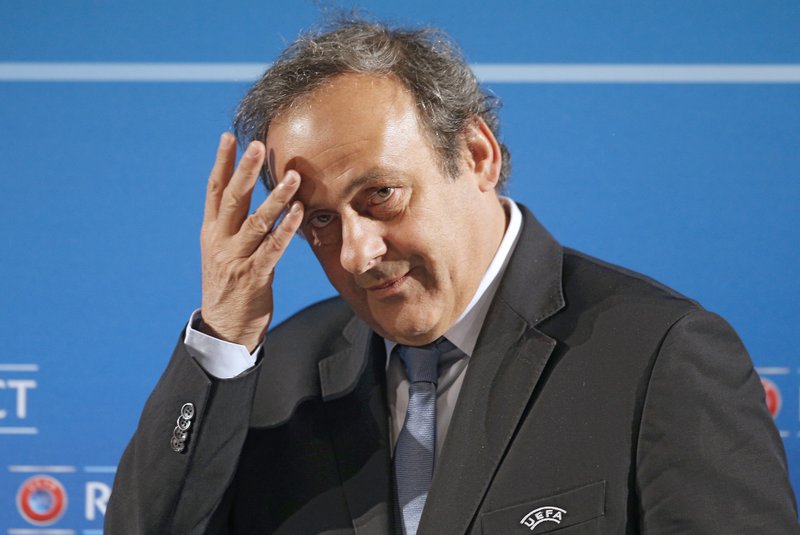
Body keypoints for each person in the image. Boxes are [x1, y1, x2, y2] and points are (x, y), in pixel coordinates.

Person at [106, 19, 798, 534]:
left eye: (380, 195)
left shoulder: (658, 354)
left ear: (476, 154)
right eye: (319, 219)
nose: (357, 254)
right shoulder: (270, 378)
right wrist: (224, 336)